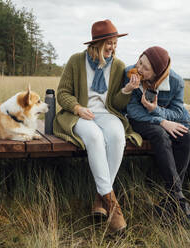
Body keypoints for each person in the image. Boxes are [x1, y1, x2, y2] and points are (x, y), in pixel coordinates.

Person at [53, 19, 142, 232]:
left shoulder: (119, 66)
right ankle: (112, 205)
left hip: (107, 113)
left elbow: (117, 105)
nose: (113, 48)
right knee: (94, 137)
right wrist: (77, 108)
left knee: (117, 137)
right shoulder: (76, 61)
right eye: (109, 43)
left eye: (115, 43)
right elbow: (62, 93)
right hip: (81, 114)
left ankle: (100, 197)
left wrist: (127, 90)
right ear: (96, 44)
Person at [125, 46, 190, 225]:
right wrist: (161, 121)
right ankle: (179, 199)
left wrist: (156, 110)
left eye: (146, 68)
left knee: (186, 137)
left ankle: (170, 201)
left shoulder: (176, 82)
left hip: (162, 117)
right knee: (160, 134)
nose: (139, 69)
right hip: (140, 121)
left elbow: (178, 112)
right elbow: (132, 109)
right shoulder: (129, 73)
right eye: (139, 61)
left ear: (158, 73)